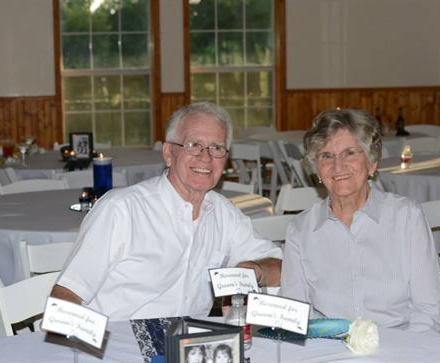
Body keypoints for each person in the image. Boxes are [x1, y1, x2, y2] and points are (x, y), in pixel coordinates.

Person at [51, 102, 282, 320]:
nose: (206, 157)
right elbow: (66, 298)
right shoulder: (121, 210)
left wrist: (256, 271)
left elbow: (283, 266)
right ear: (169, 154)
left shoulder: (223, 213)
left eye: (217, 147)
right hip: (116, 345)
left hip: (188, 346)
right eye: (194, 145)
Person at [280, 109, 440, 336]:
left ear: (372, 164)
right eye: (326, 156)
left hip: (404, 349)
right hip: (330, 351)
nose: (338, 166)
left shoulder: (407, 217)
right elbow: (295, 316)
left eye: (350, 153)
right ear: (317, 169)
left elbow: (428, 313)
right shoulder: (300, 230)